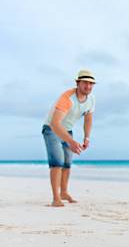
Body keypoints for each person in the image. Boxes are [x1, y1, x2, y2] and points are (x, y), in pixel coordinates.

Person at [41, 69, 96, 207]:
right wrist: (70, 141)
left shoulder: (91, 99)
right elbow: (55, 123)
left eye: (91, 84)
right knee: (57, 163)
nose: (88, 86)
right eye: (85, 83)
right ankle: (56, 199)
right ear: (78, 83)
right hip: (51, 129)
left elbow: (88, 119)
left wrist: (87, 138)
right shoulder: (67, 98)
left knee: (67, 163)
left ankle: (64, 192)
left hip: (67, 130)